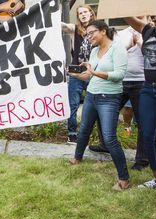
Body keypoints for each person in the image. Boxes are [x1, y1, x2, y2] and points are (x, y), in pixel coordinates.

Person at [68, 21, 129, 190]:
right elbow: (89, 76)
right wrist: (72, 74)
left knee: (109, 138)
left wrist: (93, 71)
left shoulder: (117, 48)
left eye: (91, 33)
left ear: (103, 31)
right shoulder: (94, 51)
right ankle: (77, 158)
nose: (88, 37)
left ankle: (124, 178)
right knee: (84, 130)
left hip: (109, 98)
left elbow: (119, 75)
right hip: (91, 96)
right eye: (86, 34)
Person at [89, 19, 150, 171]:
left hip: (141, 81)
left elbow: (153, 55)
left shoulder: (150, 33)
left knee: (141, 121)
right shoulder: (121, 33)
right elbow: (114, 52)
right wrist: (128, 45)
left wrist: (139, 42)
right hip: (121, 82)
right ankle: (105, 144)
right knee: (102, 112)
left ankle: (142, 159)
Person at [125, 15, 156, 188]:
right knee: (148, 136)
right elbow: (126, 15)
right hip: (148, 89)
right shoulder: (147, 29)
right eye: (154, 15)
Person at [61, 4, 96, 144]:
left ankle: (89, 133)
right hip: (77, 72)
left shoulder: (99, 29)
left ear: (91, 13)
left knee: (94, 104)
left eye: (85, 12)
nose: (83, 15)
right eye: (80, 13)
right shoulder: (75, 30)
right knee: (73, 104)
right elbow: (62, 25)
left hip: (93, 71)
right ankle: (72, 133)